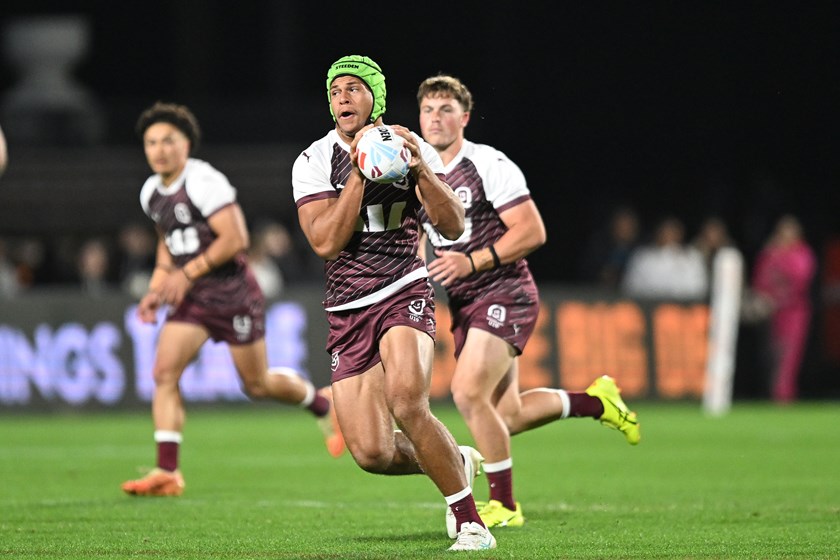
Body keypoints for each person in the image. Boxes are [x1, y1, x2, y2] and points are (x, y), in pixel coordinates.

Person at [415, 74, 641, 535]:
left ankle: (504, 504)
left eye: (445, 109)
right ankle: (596, 402)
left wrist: (471, 262)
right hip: (465, 300)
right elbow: (418, 237)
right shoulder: (418, 171)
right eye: (428, 110)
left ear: (465, 118)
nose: (435, 118)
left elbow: (533, 231)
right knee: (507, 414)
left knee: (467, 393)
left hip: (504, 291)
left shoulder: (489, 164)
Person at [292, 56, 495, 551]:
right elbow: (323, 243)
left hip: (404, 287)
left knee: (407, 400)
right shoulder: (314, 160)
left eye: (354, 88)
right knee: (372, 453)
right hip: (347, 308)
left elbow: (452, 225)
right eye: (335, 89)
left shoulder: (410, 144)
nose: (342, 97)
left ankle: (471, 521)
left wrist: (420, 166)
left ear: (375, 98)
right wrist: (361, 175)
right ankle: (456, 460)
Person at [122, 101, 344, 498]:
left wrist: (185, 275)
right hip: (193, 299)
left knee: (256, 385)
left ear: (186, 144)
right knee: (163, 373)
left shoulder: (205, 182)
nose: (159, 149)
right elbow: (167, 243)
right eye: (151, 142)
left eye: (168, 140)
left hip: (232, 294)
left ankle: (323, 404)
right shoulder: (151, 192)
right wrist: (157, 289)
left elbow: (236, 239)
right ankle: (167, 471)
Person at [751, 214, 816, 402]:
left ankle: (784, 396)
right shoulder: (769, 253)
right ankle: (774, 395)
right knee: (772, 357)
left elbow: (801, 278)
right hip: (772, 312)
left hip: (795, 312)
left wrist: (781, 257)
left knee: (789, 357)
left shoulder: (802, 253)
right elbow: (759, 280)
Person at [621, 215, 708, 299]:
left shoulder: (692, 257)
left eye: (673, 231)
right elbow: (631, 288)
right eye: (665, 230)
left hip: (684, 309)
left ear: (681, 233)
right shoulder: (642, 257)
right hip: (649, 308)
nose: (669, 235)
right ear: (657, 232)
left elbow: (699, 288)